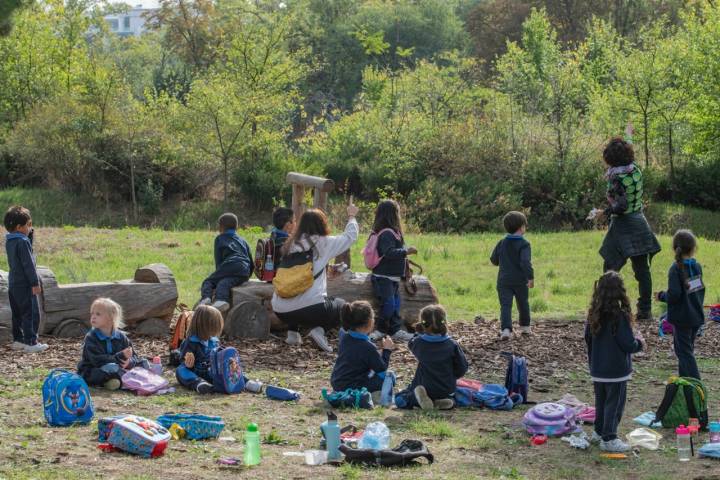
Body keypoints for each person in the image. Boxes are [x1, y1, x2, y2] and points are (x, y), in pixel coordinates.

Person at [271, 204, 359, 353]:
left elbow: (300, 272)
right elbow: (350, 236)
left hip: (280, 309)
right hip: (311, 309)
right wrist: (351, 216)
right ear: (322, 224)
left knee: (296, 292)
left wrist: (327, 269)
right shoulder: (323, 242)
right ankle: (319, 331)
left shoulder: (289, 244)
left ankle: (293, 334)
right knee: (341, 305)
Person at [597, 138, 661, 321]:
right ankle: (645, 310)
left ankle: (608, 308)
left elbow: (622, 205)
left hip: (623, 224)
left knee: (610, 266)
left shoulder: (617, 178)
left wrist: (605, 212)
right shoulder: (635, 170)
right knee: (642, 270)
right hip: (639, 221)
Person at [584, 271, 645, 453]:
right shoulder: (620, 316)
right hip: (616, 371)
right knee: (614, 404)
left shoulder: (593, 314)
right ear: (620, 291)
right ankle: (609, 438)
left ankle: (599, 431)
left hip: (598, 369)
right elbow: (627, 344)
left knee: (601, 402)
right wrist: (640, 343)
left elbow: (588, 339)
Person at [394, 305, 468, 410]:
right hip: (446, 388)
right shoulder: (452, 345)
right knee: (452, 398)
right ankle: (440, 402)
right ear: (444, 322)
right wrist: (452, 376)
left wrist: (418, 332)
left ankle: (419, 400)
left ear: (422, 323)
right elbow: (462, 368)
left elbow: (411, 343)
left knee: (399, 398)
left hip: (424, 386)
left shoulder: (419, 343)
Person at [656, 230, 705, 380]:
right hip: (696, 316)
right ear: (693, 248)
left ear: (674, 248)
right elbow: (697, 291)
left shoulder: (675, 269)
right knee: (686, 351)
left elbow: (674, 295)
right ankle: (685, 384)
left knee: (684, 353)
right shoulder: (696, 266)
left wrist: (661, 296)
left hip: (683, 319)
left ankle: (697, 386)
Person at [368, 200, 417, 343]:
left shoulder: (394, 232)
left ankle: (395, 331)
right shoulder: (387, 234)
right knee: (389, 304)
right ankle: (381, 330)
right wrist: (406, 252)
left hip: (392, 278)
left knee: (395, 305)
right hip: (383, 277)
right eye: (397, 212)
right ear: (392, 214)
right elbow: (388, 252)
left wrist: (406, 264)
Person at [331, 301, 396, 406]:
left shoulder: (344, 337)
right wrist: (387, 350)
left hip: (337, 383)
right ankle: (375, 395)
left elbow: (357, 355)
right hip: (355, 386)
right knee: (390, 376)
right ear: (370, 322)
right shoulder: (368, 347)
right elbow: (382, 369)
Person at [4, 206, 46, 353]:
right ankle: (31, 342)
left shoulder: (9, 241)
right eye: (28, 225)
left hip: (13, 283)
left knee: (17, 313)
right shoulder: (23, 242)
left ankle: (18, 340)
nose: (30, 227)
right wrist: (35, 283)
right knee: (31, 312)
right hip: (26, 284)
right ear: (19, 227)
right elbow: (28, 264)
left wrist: (29, 238)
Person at [77, 298, 144, 390]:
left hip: (116, 368)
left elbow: (134, 356)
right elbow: (97, 360)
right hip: (95, 368)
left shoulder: (121, 337)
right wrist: (118, 357)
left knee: (141, 363)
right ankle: (114, 380)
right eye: (92, 313)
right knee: (96, 373)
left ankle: (114, 381)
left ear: (111, 317)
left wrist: (129, 362)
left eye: (98, 314)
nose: (93, 316)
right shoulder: (91, 337)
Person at [490, 211, 534, 340]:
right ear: (521, 227)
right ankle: (525, 327)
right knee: (523, 303)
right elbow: (525, 262)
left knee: (505, 305)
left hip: (504, 281)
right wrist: (530, 277)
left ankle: (506, 330)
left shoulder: (502, 243)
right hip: (520, 281)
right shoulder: (524, 244)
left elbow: (494, 260)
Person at [198, 213, 254, 312]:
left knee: (208, 281)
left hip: (230, 264)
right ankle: (221, 300)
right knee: (224, 283)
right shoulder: (243, 241)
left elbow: (218, 260)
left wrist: (218, 273)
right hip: (244, 269)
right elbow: (251, 261)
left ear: (220, 227)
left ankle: (206, 298)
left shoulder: (220, 239)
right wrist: (246, 276)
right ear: (237, 227)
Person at [175, 305, 224, 394]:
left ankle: (246, 382)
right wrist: (188, 365)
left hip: (211, 371)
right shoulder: (190, 342)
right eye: (216, 326)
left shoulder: (214, 341)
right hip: (195, 372)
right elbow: (183, 360)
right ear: (207, 325)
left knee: (229, 367)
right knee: (180, 370)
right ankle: (199, 384)